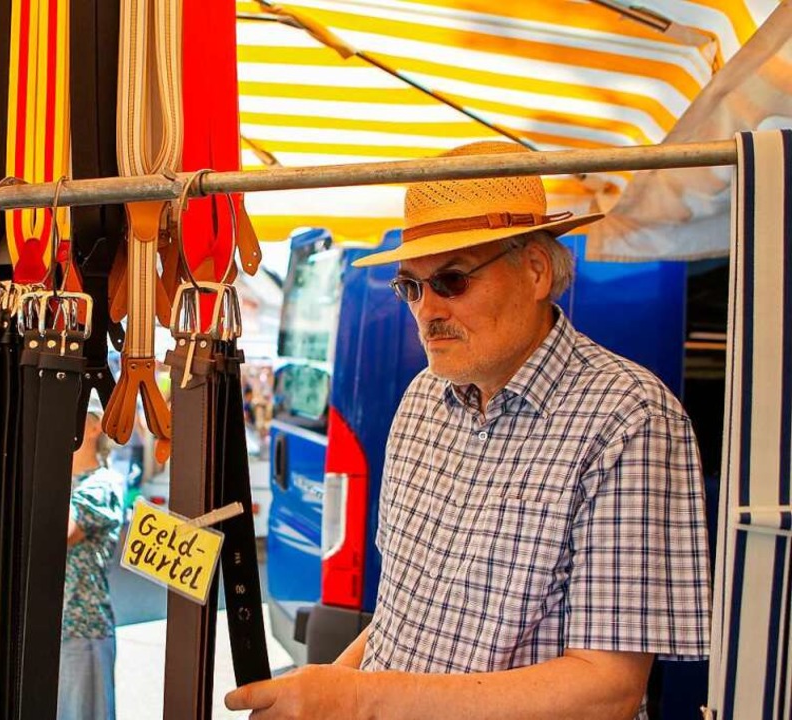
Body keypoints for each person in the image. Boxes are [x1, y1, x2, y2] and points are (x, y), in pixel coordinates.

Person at [226, 141, 710, 720]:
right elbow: (402, 614)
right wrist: (331, 684)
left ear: (533, 270)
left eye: (451, 280)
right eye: (410, 287)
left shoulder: (630, 418)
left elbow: (605, 690)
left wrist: (357, 699)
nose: (427, 309)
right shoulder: (423, 398)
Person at [57, 401, 125, 720]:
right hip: (53, 628)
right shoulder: (59, 482)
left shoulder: (103, 485)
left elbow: (60, 533)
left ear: (95, 426)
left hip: (81, 630)